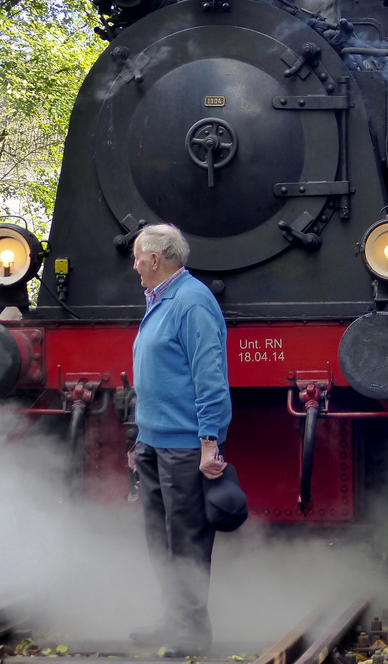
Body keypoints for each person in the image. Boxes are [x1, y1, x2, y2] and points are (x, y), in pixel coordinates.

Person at [129, 223, 232, 657]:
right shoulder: (160, 300)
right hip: (154, 441)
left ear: (156, 259)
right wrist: (139, 439)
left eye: (137, 257)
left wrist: (210, 439)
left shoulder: (191, 303)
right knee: (159, 537)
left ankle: (194, 632)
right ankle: (172, 618)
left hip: (184, 444)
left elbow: (210, 377)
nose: (133, 266)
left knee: (186, 538)